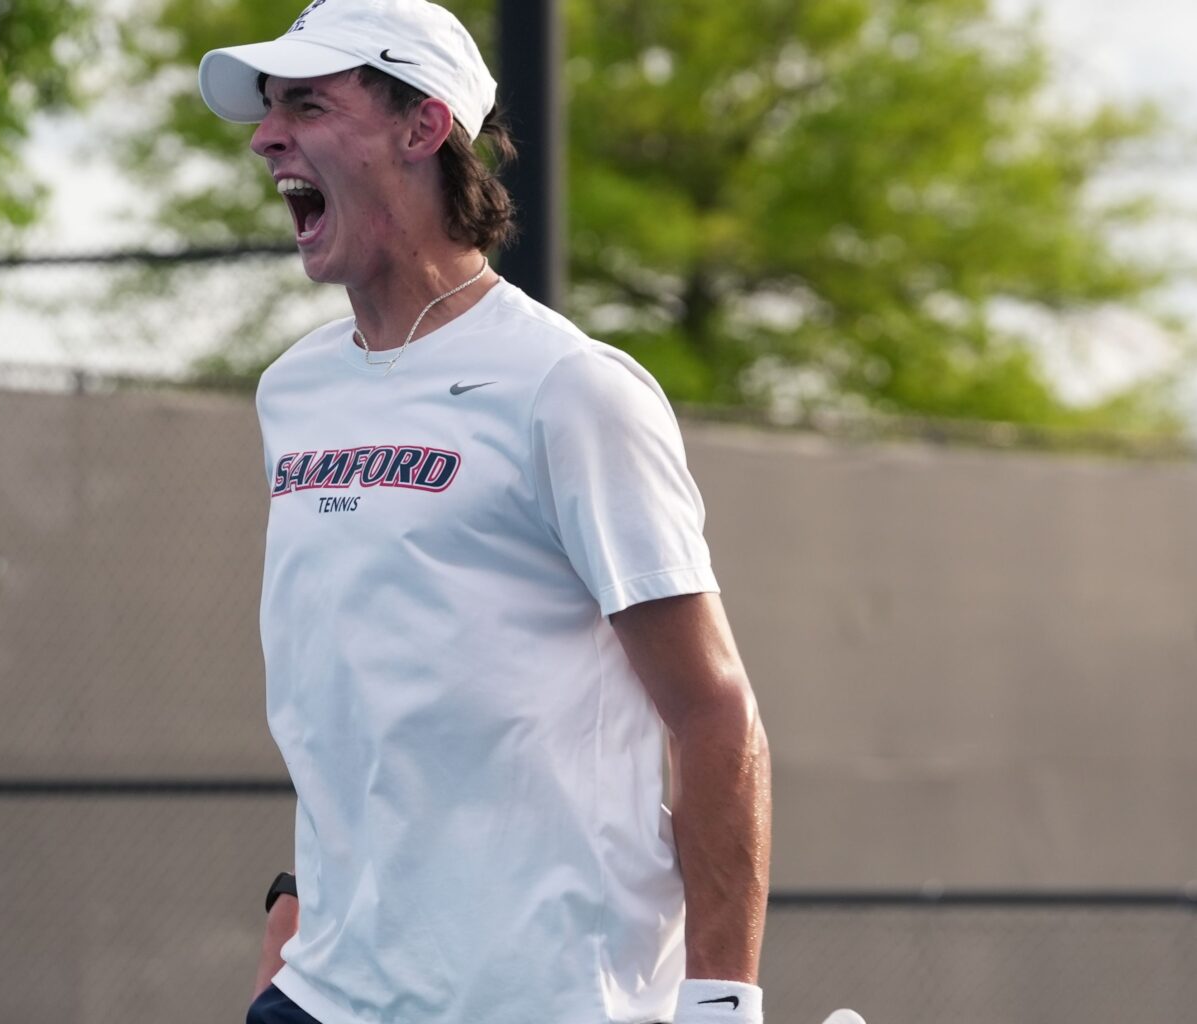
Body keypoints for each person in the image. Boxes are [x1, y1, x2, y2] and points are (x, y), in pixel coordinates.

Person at [195, 3, 862, 1023]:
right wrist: (296, 916)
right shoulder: (292, 392)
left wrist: (722, 1004)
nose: (266, 134)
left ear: (424, 128)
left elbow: (714, 711)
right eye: (269, 108)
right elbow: (359, 697)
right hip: (322, 996)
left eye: (310, 104)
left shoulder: (572, 389)